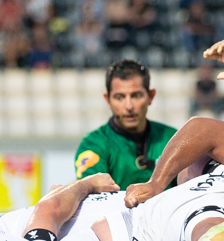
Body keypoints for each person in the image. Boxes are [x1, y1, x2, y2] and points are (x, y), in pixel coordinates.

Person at [75, 60, 177, 188]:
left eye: (136, 96)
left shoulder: (173, 138)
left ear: (150, 96)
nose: (129, 106)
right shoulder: (93, 144)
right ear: (108, 100)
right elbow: (92, 194)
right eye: (119, 97)